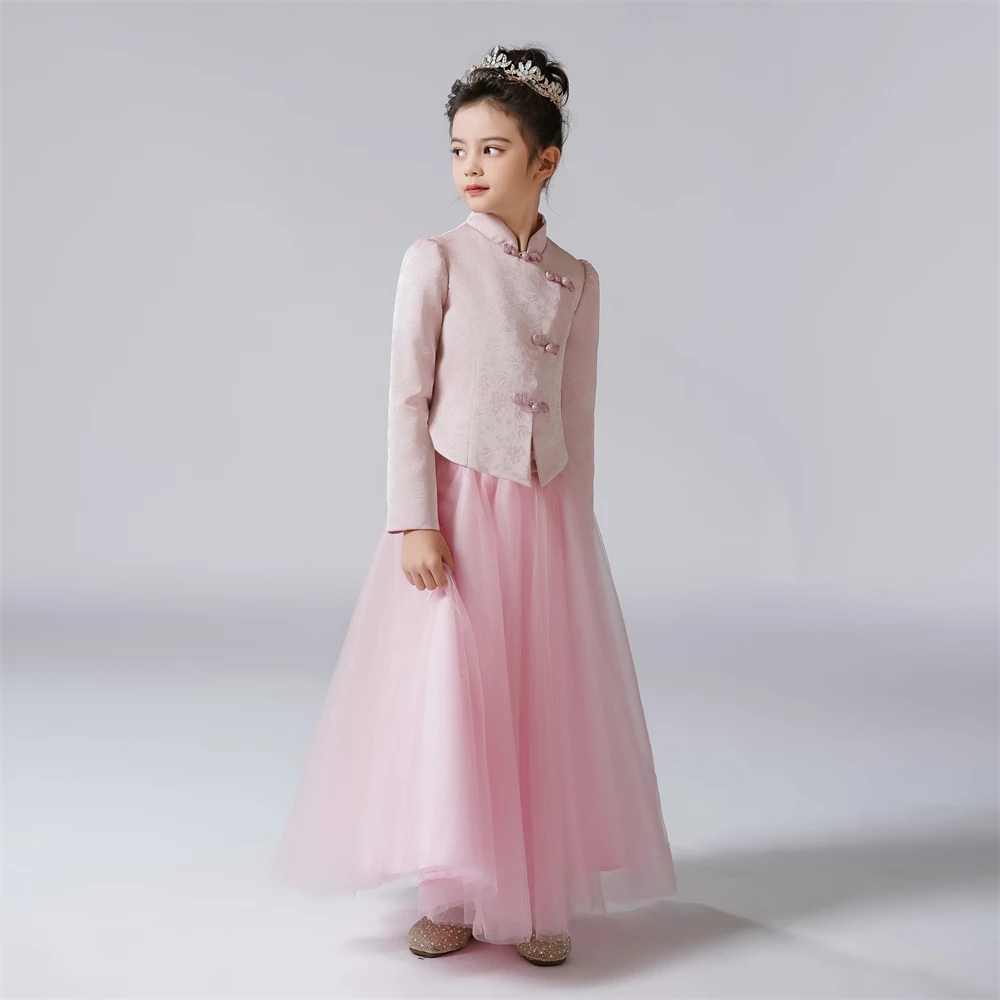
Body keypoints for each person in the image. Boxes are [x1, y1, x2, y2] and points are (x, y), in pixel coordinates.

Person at [274, 43, 676, 967]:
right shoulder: (438, 260)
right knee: (456, 693)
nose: (470, 167)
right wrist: (413, 518)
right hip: (459, 507)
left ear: (546, 159)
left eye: (493, 149)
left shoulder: (579, 278)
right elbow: (406, 397)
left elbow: (578, 409)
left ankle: (535, 892)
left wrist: (576, 526)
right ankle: (451, 888)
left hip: (543, 513)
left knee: (538, 688)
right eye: (459, 149)